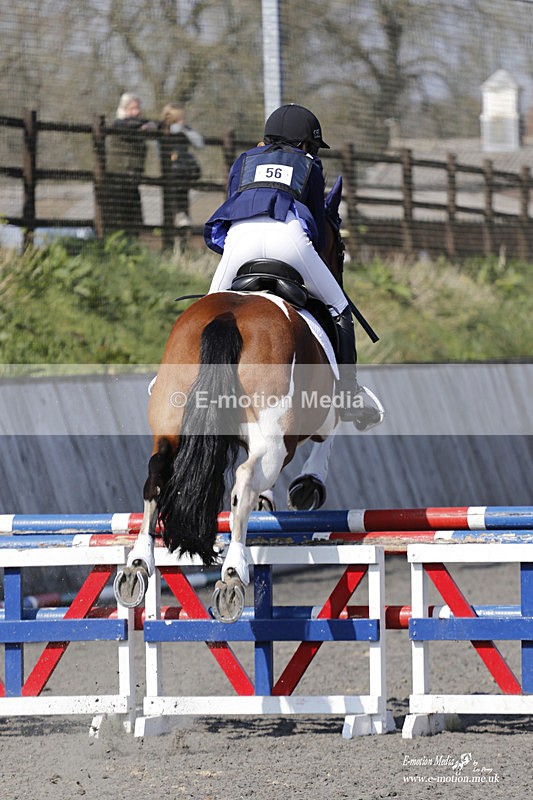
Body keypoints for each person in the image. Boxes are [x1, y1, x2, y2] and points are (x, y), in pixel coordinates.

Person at [203, 103, 382, 431]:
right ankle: (348, 393)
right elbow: (313, 221)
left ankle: (174, 379)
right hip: (288, 238)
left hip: (240, 240)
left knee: (208, 309)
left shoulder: (243, 161)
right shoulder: (309, 165)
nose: (312, 152)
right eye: (311, 146)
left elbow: (232, 202)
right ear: (303, 145)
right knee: (339, 306)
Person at [105, 93, 157, 235]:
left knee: (134, 221)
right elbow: (126, 126)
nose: (137, 111)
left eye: (138, 108)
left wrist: (150, 125)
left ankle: (132, 249)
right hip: (117, 180)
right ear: (124, 109)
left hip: (132, 180)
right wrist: (145, 125)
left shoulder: (137, 126)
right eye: (133, 108)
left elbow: (155, 124)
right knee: (117, 219)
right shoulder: (119, 125)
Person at [160, 103, 204, 227]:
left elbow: (200, 144)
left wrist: (184, 129)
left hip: (184, 169)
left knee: (183, 193)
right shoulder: (163, 130)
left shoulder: (186, 129)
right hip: (171, 169)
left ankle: (183, 216)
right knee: (173, 194)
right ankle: (178, 216)